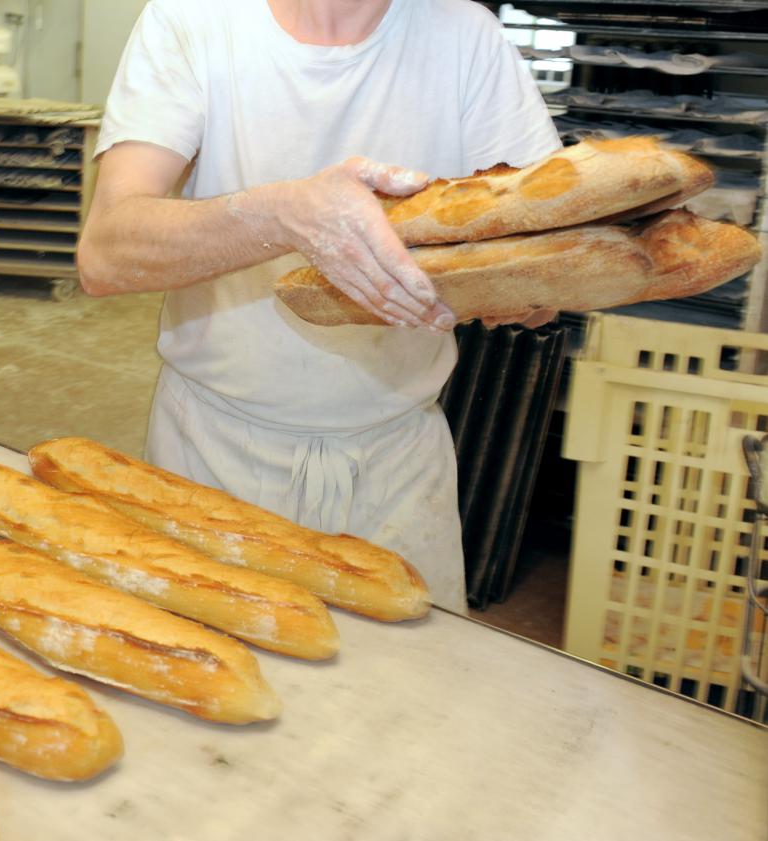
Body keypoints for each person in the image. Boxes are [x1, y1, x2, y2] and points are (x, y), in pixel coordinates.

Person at [77, 0, 562, 611]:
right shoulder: (194, 20)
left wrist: (531, 285)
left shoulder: (464, 35)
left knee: (405, 695)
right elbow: (106, 253)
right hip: (213, 454)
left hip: (400, 465)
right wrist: (285, 215)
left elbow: (543, 249)